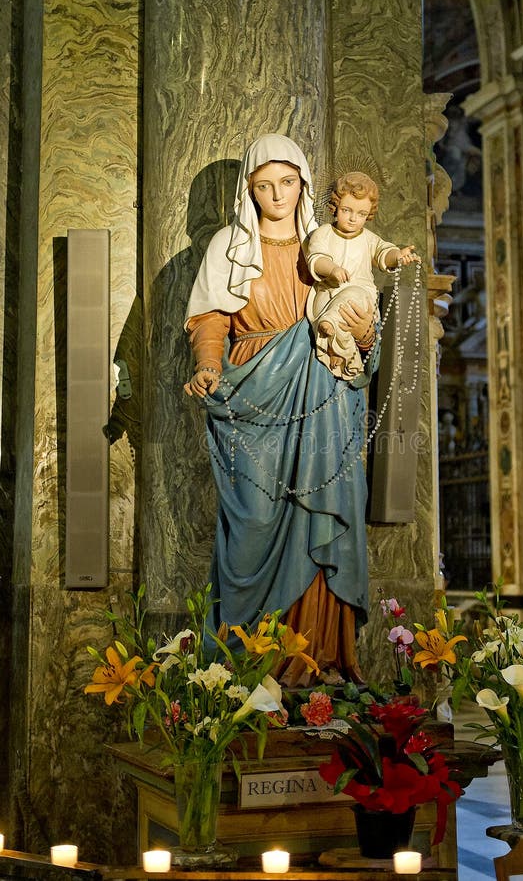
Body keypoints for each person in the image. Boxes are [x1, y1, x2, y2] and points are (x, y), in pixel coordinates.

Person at [183, 134, 378, 687]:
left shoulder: (328, 243)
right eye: (264, 184)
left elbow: (364, 321)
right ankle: (250, 670)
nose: (277, 194)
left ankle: (322, 663)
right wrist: (207, 365)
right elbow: (211, 319)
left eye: (287, 182)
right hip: (257, 394)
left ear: (303, 184)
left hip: (326, 393)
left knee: (325, 512)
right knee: (255, 522)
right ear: (249, 188)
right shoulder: (229, 245)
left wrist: (362, 334)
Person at [306, 171, 420, 379]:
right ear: (335, 206)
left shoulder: (368, 239)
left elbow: (384, 253)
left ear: (369, 214)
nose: (352, 218)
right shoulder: (323, 233)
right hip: (329, 293)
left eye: (361, 214)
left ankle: (339, 352)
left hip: (359, 298)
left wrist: (398, 256)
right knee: (341, 305)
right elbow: (316, 258)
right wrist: (332, 269)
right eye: (346, 210)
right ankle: (334, 342)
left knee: (354, 298)